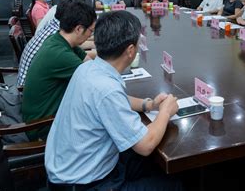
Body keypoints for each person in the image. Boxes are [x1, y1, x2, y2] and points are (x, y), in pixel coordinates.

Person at [45, 11, 181, 190]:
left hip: (69, 169)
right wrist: (164, 112)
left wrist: (148, 105)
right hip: (85, 183)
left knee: (145, 163)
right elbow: (146, 145)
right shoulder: (106, 88)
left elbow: (114, 99)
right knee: (176, 184)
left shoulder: (88, 68)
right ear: (131, 51)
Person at [21, 0, 96, 140]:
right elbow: (95, 82)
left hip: (46, 114)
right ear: (79, 29)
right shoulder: (60, 54)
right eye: (91, 31)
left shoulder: (60, 40)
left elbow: (89, 64)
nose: (90, 35)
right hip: (42, 127)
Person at [17, 0, 95, 87]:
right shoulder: (57, 38)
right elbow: (92, 80)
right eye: (91, 31)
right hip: (25, 88)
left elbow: (84, 56)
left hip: (34, 83)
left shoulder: (59, 30)